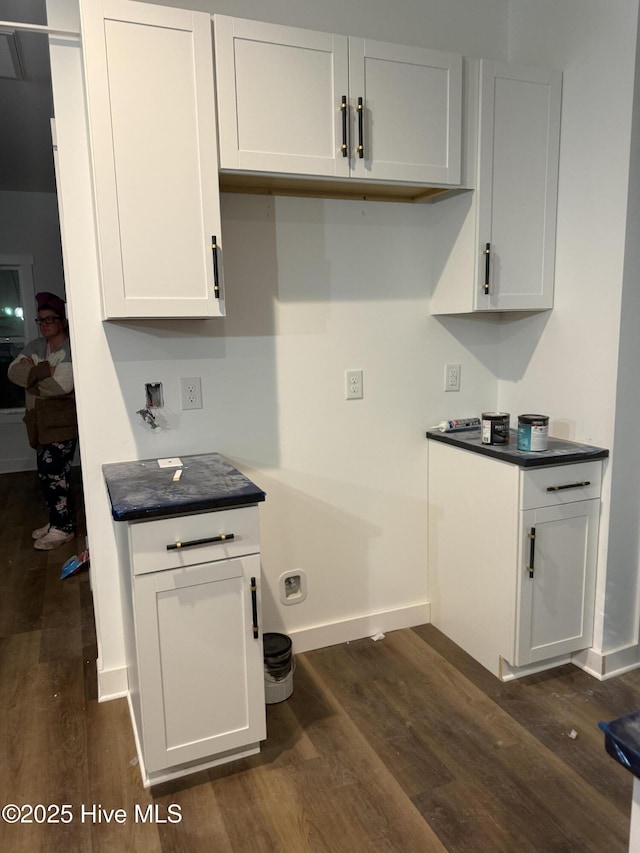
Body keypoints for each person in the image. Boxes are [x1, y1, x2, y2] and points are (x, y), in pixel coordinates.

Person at [8, 291, 78, 551]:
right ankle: (56, 521)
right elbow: (13, 372)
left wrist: (32, 379)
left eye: (51, 318)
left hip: (61, 423)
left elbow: (62, 385)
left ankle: (64, 529)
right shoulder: (36, 346)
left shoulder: (72, 347)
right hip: (38, 421)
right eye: (41, 320)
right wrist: (43, 372)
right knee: (47, 476)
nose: (45, 324)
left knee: (55, 476)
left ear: (63, 321)